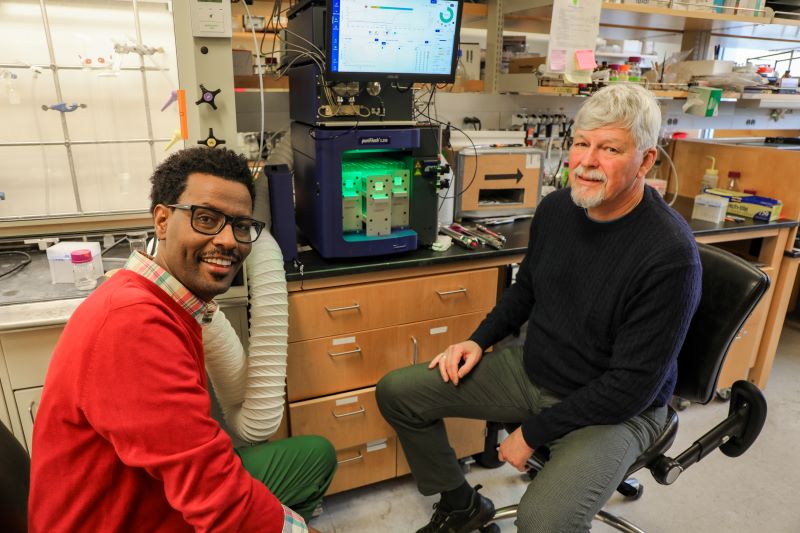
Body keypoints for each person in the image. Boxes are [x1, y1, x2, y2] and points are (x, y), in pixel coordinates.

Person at [377, 83, 702, 533]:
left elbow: (631, 387)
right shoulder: (557, 209)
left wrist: (533, 433)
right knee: (399, 392)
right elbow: (526, 289)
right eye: (581, 143)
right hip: (537, 372)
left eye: (610, 149)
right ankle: (461, 504)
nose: (587, 161)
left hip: (622, 409)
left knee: (543, 522)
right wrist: (478, 341)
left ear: (646, 160)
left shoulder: (669, 254)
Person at [29, 147, 336, 532]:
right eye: (206, 219)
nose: (229, 241)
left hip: (152, 492)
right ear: (162, 220)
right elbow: (220, 503)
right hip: (126, 520)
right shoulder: (133, 325)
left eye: (241, 226)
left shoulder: (160, 301)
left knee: (314, 456)